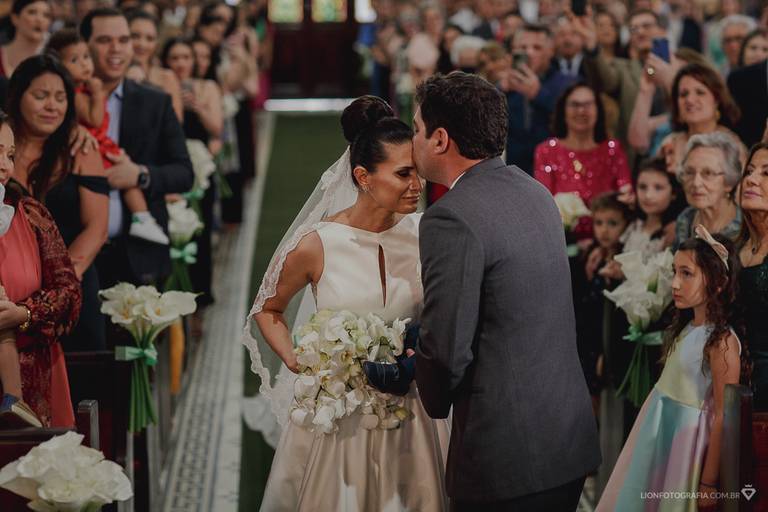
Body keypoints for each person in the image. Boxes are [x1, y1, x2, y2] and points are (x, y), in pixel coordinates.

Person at [244, 95, 449, 511]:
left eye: (418, 171)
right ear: (363, 176)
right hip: (341, 415)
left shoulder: (426, 233)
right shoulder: (318, 243)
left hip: (412, 411)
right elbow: (268, 308)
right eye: (403, 174)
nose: (417, 185)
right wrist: (299, 361)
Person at [413, 71, 601, 510]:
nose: (412, 141)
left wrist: (426, 390)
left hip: (506, 456)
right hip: (565, 439)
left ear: (440, 139)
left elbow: (446, 349)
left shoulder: (450, 217)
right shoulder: (534, 192)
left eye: (417, 130)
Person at [597, 228, 743, 511]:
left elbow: (722, 415)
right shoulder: (687, 328)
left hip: (684, 446)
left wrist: (708, 481)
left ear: (719, 282)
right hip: (659, 435)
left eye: (686, 274)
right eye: (675, 272)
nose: (675, 283)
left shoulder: (722, 343)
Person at [80, 7, 193, 286]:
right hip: (76, 253)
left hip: (138, 256)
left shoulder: (155, 102)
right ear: (85, 45)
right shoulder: (66, 102)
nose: (116, 49)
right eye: (104, 40)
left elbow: (184, 173)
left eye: (124, 40)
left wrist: (140, 175)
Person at [6, 55, 109, 352]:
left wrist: (58, 290)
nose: (52, 106)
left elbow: (97, 228)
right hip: (9, 289)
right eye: (41, 96)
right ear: (17, 96)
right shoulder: (3, 150)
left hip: (71, 283)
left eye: (61, 98)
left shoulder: (80, 149)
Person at [45, 29, 169, 246]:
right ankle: (140, 217)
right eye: (74, 60)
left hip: (99, 142)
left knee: (127, 173)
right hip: (92, 146)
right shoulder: (74, 94)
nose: (84, 64)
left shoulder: (81, 90)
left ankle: (141, 217)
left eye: (86, 57)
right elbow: (95, 119)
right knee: (121, 174)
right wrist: (98, 94)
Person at [0, 110, 81, 427]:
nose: (5, 166)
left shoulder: (31, 214)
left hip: (35, 379)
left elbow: (70, 295)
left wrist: (24, 314)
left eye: (10, 155)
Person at [161, 36, 222, 310]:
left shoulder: (206, 87)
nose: (181, 63)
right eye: (174, 58)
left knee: (200, 230)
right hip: (170, 168)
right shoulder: (160, 90)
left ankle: (200, 294)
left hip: (199, 169)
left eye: (186, 57)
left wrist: (196, 105)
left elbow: (217, 128)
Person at [533, 82, 633, 240]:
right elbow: (543, 204)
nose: (581, 111)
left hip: (607, 240)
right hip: (562, 239)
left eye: (587, 105)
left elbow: (625, 195)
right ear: (563, 111)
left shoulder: (612, 150)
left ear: (598, 110)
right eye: (575, 105)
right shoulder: (546, 151)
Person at [574, 193, 632, 410]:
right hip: (587, 337)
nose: (604, 230)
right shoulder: (591, 256)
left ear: (626, 225)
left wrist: (603, 353)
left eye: (612, 223)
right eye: (599, 223)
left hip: (607, 340)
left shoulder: (624, 262)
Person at [501, 24, 575, 174]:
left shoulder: (567, 83)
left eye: (537, 48)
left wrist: (539, 94)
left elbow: (573, 120)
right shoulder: (504, 86)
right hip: (513, 171)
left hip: (557, 168)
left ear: (551, 51)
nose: (529, 53)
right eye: (522, 47)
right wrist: (500, 91)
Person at [657, 63, 744, 173]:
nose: (690, 100)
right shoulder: (670, 144)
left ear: (717, 99)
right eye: (683, 94)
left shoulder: (732, 146)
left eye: (700, 93)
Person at [735, 142, 768, 411]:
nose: (752, 179)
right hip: (734, 385)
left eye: (766, 173)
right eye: (750, 171)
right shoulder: (733, 249)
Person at [674, 132, 742, 248]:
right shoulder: (685, 219)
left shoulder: (744, 230)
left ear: (729, 182)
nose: (696, 183)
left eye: (708, 173)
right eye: (689, 172)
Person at [127, 9, 183, 120]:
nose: (142, 44)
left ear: (156, 43)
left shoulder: (167, 77)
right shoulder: (113, 75)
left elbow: (176, 122)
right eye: (135, 36)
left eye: (150, 39)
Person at [0, 0, 51, 78]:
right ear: (15, 18)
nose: (40, 19)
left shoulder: (52, 60)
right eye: (32, 12)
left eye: (46, 15)